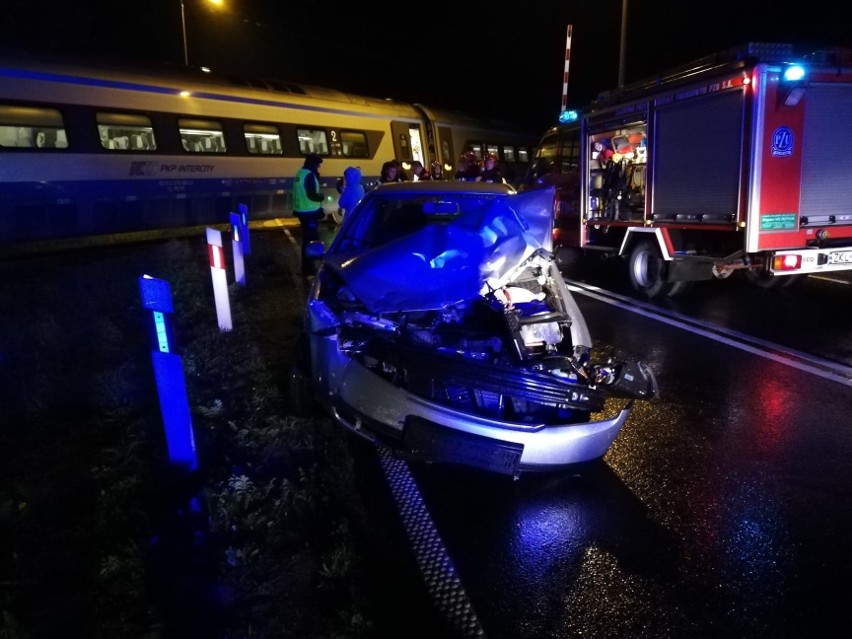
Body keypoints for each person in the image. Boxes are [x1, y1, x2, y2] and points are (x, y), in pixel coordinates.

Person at [292, 152, 325, 276]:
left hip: (301, 211)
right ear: (313, 164)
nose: (319, 167)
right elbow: (312, 195)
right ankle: (309, 268)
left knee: (307, 239)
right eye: (318, 165)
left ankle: (307, 266)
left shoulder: (300, 173)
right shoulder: (309, 175)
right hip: (309, 212)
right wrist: (321, 197)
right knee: (310, 241)